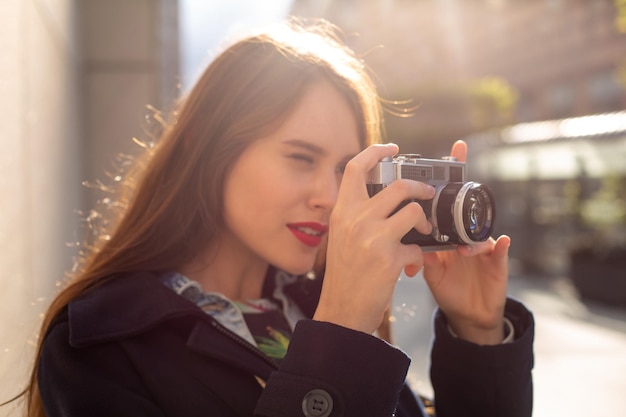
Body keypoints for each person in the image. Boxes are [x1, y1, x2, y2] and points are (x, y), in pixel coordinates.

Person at [18, 17, 534, 417]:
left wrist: (477, 334)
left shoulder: (312, 304)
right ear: (211, 151)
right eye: (300, 158)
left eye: (342, 169)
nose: (329, 196)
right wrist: (341, 333)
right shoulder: (103, 343)